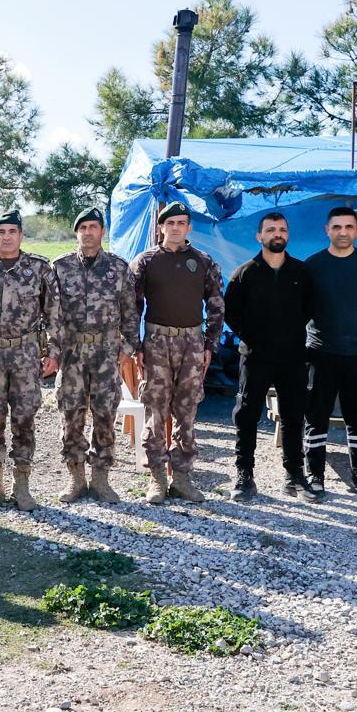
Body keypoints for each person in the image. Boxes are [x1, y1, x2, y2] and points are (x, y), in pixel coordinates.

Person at [0, 210, 62, 513]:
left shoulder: (39, 268)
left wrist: (54, 352)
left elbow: (54, 312)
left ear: (21, 235)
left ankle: (22, 486)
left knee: (25, 418)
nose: (6, 237)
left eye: (12, 231)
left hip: (26, 352)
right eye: (1, 231)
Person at [129, 201, 225, 504]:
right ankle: (157, 477)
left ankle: (182, 476)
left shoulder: (204, 261)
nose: (176, 228)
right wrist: (135, 345)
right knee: (156, 409)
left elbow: (216, 304)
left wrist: (210, 344)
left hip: (192, 343)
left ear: (189, 227)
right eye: (170, 223)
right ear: (161, 227)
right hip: (157, 341)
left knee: (187, 410)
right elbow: (132, 307)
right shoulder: (145, 262)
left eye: (182, 223)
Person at [224, 211, 312, 503]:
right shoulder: (244, 273)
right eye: (271, 229)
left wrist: (289, 335)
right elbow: (231, 313)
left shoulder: (301, 273)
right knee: (247, 414)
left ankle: (294, 474)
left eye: (282, 229)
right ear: (259, 236)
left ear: (287, 235)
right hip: (256, 356)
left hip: (293, 356)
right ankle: (244, 475)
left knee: (293, 415)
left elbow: (310, 309)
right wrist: (254, 339)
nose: (278, 234)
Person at [52, 207, 138, 504]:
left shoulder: (118, 267)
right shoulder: (60, 267)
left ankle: (101, 478)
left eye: (94, 227)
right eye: (83, 227)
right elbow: (49, 313)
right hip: (72, 352)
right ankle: (76, 477)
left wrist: (127, 349)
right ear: (77, 232)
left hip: (105, 352)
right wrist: (53, 351)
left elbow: (131, 312)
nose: (88, 232)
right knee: (71, 415)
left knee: (105, 415)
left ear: (103, 232)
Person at [302, 207, 357, 501]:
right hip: (321, 352)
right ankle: (314, 475)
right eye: (337, 227)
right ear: (327, 229)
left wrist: (356, 324)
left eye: (349, 227)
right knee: (316, 416)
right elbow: (304, 306)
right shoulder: (313, 265)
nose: (343, 232)